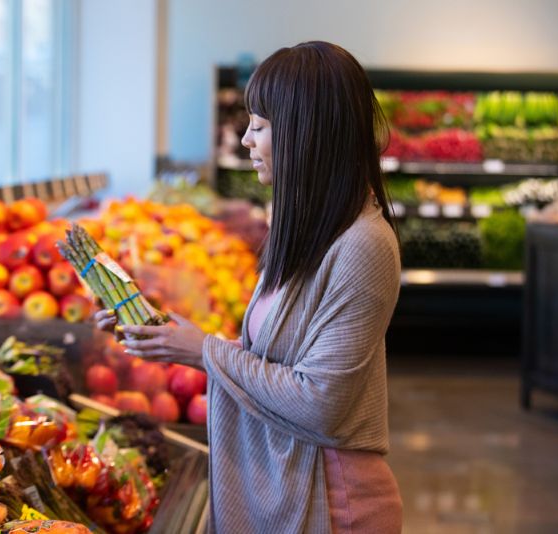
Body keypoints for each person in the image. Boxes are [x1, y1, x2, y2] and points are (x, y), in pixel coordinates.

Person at [94, 41, 403, 534]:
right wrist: (170, 338)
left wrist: (206, 352)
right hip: (288, 486)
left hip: (330, 504)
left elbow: (320, 402)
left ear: (305, 134)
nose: (245, 141)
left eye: (258, 126)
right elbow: (281, 359)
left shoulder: (364, 245)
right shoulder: (311, 231)